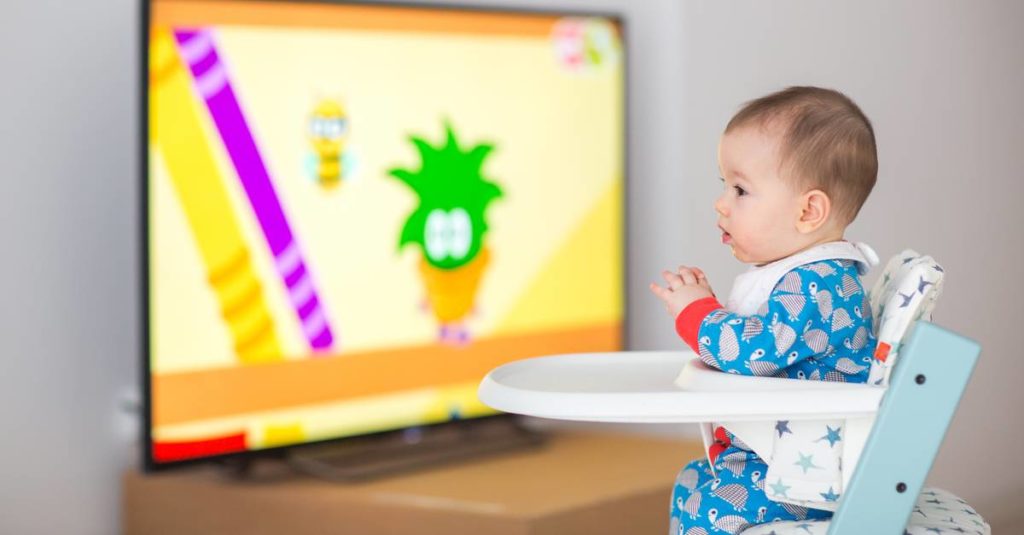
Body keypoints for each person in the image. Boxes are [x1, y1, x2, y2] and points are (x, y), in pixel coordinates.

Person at [649, 86, 880, 534]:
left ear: (809, 210)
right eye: (724, 186)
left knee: (707, 506)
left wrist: (697, 312)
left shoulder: (818, 284)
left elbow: (753, 352)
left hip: (803, 474)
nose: (721, 203)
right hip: (774, 456)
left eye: (740, 189)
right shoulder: (802, 277)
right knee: (691, 481)